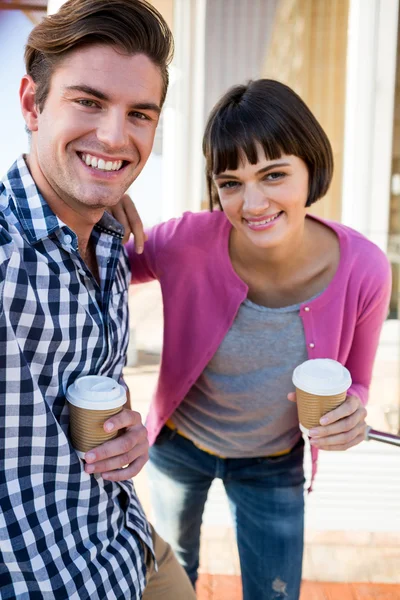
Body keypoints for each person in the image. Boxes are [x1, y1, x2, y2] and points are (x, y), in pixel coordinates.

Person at [122, 79, 392, 600]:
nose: (253, 203)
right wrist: (102, 209)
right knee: (173, 584)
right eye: (230, 182)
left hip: (274, 462)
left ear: (311, 167)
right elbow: (101, 266)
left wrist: (351, 414)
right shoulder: (186, 241)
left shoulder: (365, 269)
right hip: (179, 448)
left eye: (273, 175)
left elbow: (356, 382)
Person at [0, 1, 197, 598]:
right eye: (88, 102)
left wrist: (127, 431)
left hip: (129, 540)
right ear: (33, 104)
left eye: (139, 113)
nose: (115, 136)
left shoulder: (110, 240)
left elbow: (72, 388)